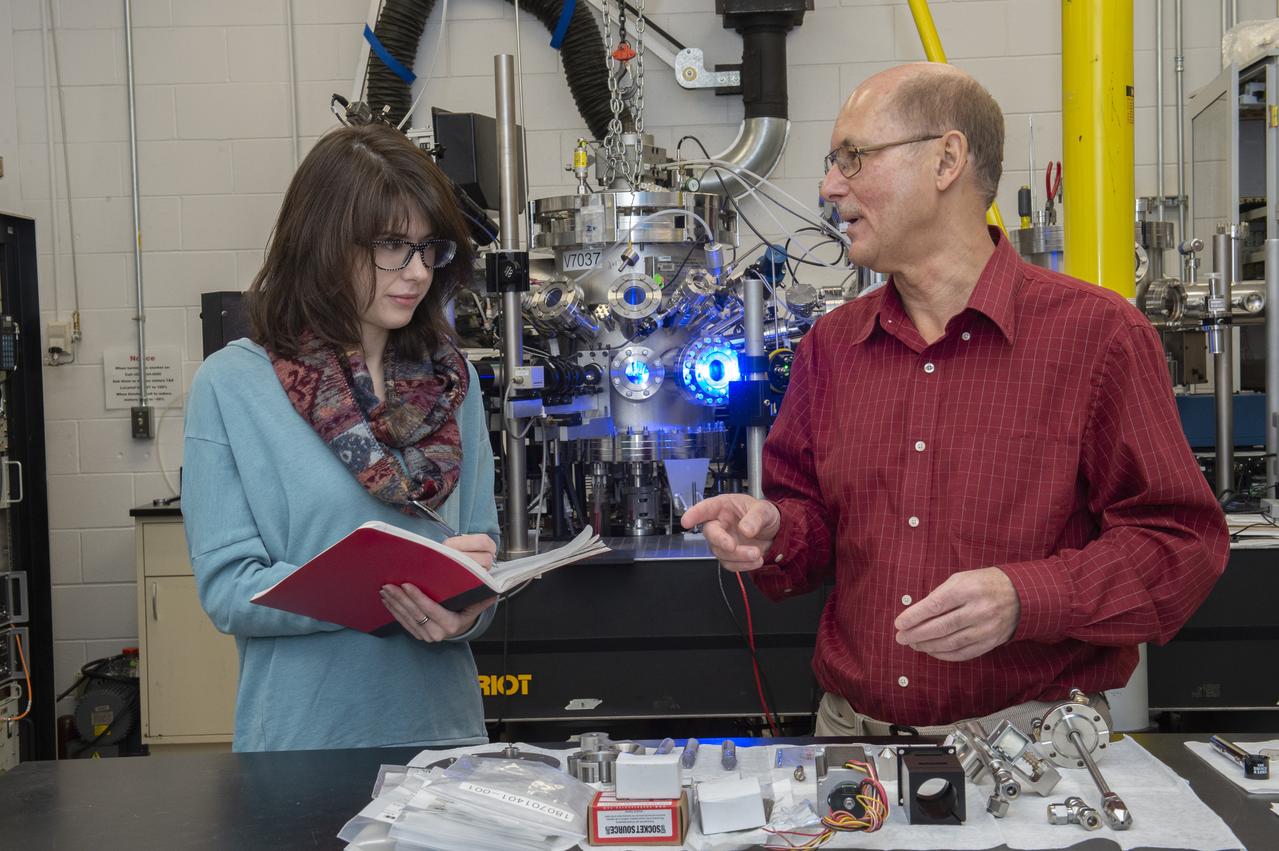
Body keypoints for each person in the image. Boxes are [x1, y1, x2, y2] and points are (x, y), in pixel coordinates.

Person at [682, 63, 1229, 736]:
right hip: (853, 746)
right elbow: (813, 525)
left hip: (1029, 755)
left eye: (851, 157)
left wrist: (1025, 598)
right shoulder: (831, 345)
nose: (828, 185)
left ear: (945, 159)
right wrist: (771, 530)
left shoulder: (1097, 337)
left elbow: (1179, 544)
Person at [182, 122, 500, 751]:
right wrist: (381, 595)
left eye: (427, 248)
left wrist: (469, 611)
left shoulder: (451, 377)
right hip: (306, 745)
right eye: (390, 246)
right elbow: (227, 590)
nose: (415, 273)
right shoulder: (232, 385)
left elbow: (483, 546)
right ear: (324, 243)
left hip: (446, 738)